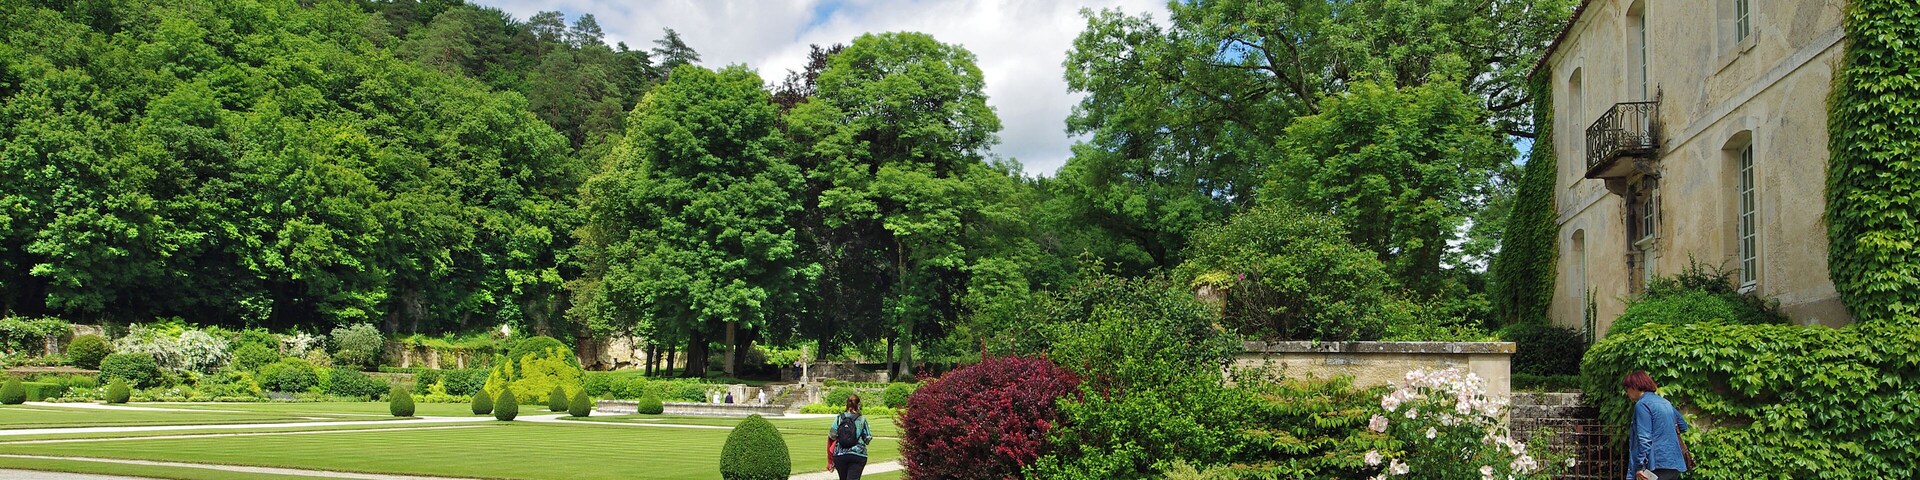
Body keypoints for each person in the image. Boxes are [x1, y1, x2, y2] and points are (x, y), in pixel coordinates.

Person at [1623, 370, 1692, 480]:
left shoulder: (1642, 405)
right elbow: (1682, 426)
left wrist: (1640, 466)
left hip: (1656, 465)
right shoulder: (1665, 402)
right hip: (1674, 463)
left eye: (1627, 389)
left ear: (1634, 387)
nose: (1627, 393)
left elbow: (1644, 438)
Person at [827, 393, 873, 480]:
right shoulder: (862, 419)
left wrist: (829, 459)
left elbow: (832, 436)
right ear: (858, 404)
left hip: (840, 454)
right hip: (857, 454)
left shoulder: (839, 418)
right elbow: (868, 438)